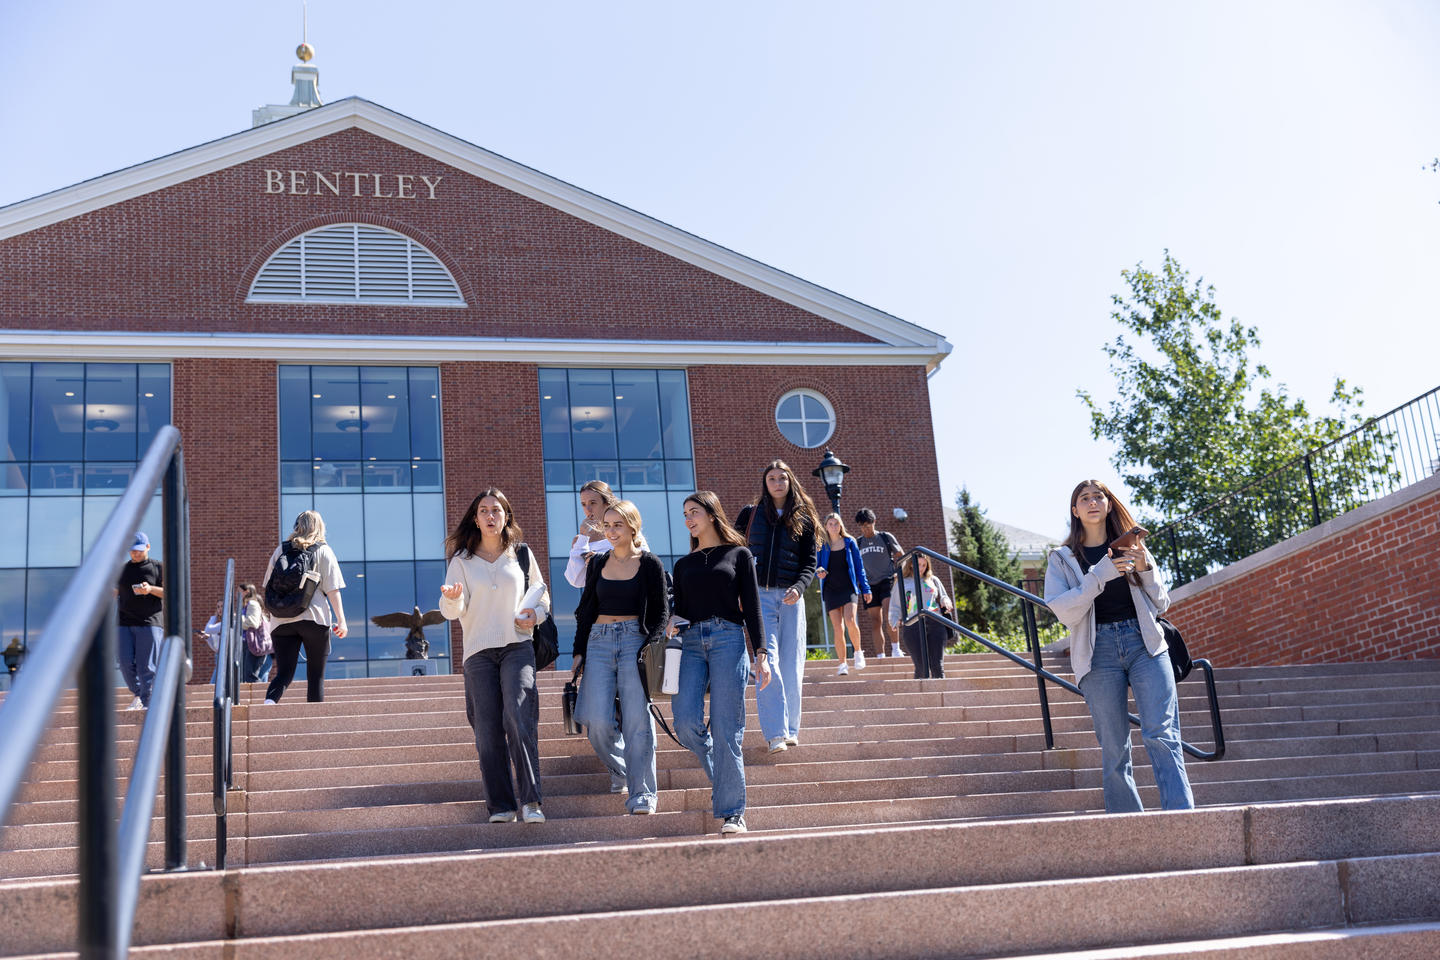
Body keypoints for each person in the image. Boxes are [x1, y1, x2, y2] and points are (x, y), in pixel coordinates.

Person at [1043, 479, 1193, 813]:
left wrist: (1145, 569)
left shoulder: (1133, 545)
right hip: (1099, 654)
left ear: (1109, 504)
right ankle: (1128, 828)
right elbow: (1063, 610)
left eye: (1099, 496)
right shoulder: (1063, 559)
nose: (1092, 502)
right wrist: (1101, 574)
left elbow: (1162, 603)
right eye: (1085, 498)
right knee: (1114, 747)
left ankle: (1182, 819)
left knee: (1162, 735)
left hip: (1145, 645)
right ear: (1075, 510)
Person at [440, 489, 549, 824]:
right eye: (484, 511)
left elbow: (542, 599)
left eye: (496, 510)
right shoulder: (461, 561)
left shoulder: (522, 555)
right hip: (478, 653)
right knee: (487, 730)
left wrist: (535, 617)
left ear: (506, 517)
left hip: (517, 646)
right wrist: (454, 598)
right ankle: (501, 806)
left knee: (518, 716)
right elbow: (449, 611)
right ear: (476, 518)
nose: (490, 516)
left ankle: (531, 803)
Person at [670, 491, 771, 836]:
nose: (688, 519)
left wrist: (762, 654)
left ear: (712, 514)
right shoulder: (683, 565)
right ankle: (721, 768)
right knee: (684, 722)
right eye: (685, 514)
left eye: (694, 512)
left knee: (727, 729)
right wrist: (672, 619)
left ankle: (733, 813)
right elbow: (680, 608)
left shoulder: (739, 554)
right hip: (691, 644)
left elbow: (753, 607)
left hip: (729, 639)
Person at [571, 500, 668, 814]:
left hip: (634, 644)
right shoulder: (598, 563)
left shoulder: (650, 563)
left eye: (618, 525)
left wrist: (649, 648)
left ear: (632, 527)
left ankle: (643, 794)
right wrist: (578, 651)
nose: (611, 531)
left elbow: (660, 613)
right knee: (596, 721)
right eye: (607, 525)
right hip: (598, 642)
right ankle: (623, 769)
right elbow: (586, 609)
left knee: (638, 722)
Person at [734, 460, 818, 754]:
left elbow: (810, 562)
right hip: (759, 598)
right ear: (765, 483)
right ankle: (775, 734)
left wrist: (799, 587)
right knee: (767, 663)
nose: (778, 482)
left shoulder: (803, 516)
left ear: (790, 481)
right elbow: (735, 551)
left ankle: (791, 730)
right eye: (772, 478)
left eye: (782, 477)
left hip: (791, 597)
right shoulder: (750, 514)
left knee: (793, 665)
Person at [262, 510, 347, 705]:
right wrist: (341, 621)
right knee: (316, 676)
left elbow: (267, 586)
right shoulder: (323, 550)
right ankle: (315, 721)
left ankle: (268, 705)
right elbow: (333, 590)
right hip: (314, 618)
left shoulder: (281, 550)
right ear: (319, 527)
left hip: (281, 621)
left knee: (284, 673)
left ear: (296, 526)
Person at [816, 513, 871, 676]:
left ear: (841, 526)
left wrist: (866, 588)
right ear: (825, 526)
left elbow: (859, 567)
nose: (833, 526)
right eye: (830, 524)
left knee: (850, 620)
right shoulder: (822, 545)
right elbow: (816, 566)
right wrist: (819, 572)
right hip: (831, 589)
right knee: (838, 628)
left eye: (836, 524)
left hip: (849, 588)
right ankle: (842, 664)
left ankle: (858, 652)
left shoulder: (849, 542)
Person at [114, 531, 163, 710]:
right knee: (125, 662)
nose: (136, 553)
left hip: (150, 622)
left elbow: (170, 592)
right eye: (133, 551)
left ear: (148, 547)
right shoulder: (122, 570)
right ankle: (139, 694)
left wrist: (150, 589)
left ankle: (148, 701)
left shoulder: (158, 567)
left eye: (140, 550)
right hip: (124, 622)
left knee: (147, 665)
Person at [889, 553, 954, 679]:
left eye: (924, 565)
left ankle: (940, 693)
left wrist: (945, 601)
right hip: (913, 624)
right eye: (918, 564)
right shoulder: (901, 583)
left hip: (935, 622)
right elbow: (895, 605)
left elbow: (943, 596)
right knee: (921, 666)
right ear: (911, 564)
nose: (922, 568)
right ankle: (919, 697)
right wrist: (894, 620)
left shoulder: (933, 580)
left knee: (937, 666)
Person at [855, 508, 905, 659]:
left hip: (887, 580)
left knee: (890, 612)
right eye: (862, 526)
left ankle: (896, 649)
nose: (865, 529)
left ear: (874, 522)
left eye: (867, 525)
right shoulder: (858, 543)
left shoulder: (885, 537)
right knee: (876, 621)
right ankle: (880, 655)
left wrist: (898, 573)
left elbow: (901, 556)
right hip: (869, 585)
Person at [565, 480, 617, 588]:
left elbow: (643, 564)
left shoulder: (626, 531)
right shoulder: (580, 540)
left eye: (593, 503)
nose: (588, 509)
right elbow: (576, 581)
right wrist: (583, 537)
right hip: (598, 602)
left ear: (607, 503)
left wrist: (600, 560)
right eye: (584, 504)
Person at [239, 582, 272, 684]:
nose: (237, 594)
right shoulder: (246, 605)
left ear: (247, 592)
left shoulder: (252, 604)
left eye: (239, 591)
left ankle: (260, 698)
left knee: (251, 674)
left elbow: (253, 623)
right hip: (248, 642)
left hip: (254, 643)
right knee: (247, 674)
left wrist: (238, 618)